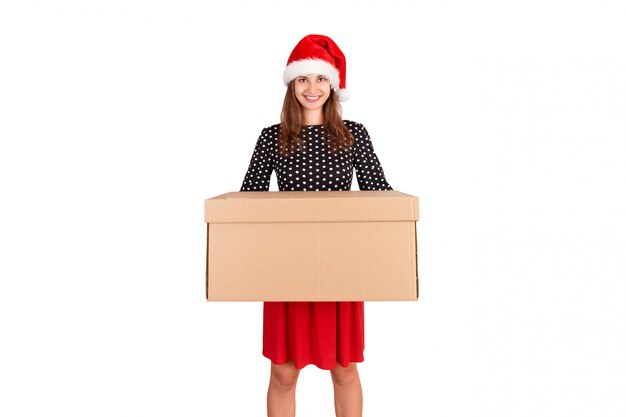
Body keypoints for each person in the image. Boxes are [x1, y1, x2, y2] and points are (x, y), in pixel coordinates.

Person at [240, 34, 393, 417]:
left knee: (344, 371)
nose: (312, 88)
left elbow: (380, 197)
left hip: (341, 267)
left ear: (333, 85)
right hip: (285, 270)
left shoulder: (353, 134)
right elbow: (248, 204)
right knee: (283, 373)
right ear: (292, 85)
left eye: (321, 79)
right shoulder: (270, 138)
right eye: (303, 79)